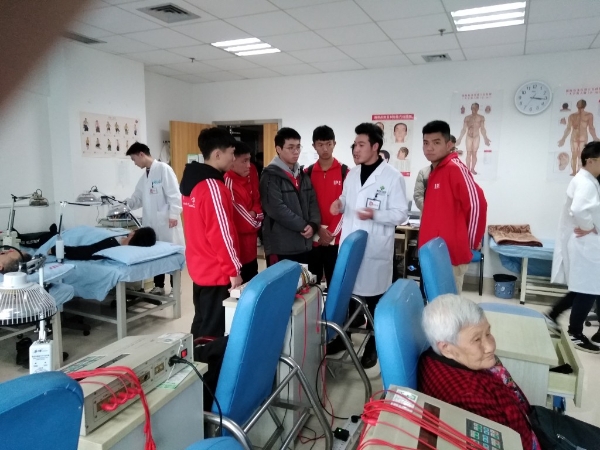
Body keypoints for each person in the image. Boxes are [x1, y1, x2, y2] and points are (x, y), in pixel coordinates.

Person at [419, 294, 600, 450]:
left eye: (488, 333)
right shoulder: (469, 398)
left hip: (536, 422)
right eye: (476, 340)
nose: (490, 346)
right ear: (447, 348)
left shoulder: (439, 354)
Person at [330, 123, 408, 369]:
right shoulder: (352, 174)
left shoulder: (392, 177)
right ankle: (343, 338)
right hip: (350, 247)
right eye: (355, 145)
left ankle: (374, 345)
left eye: (361, 144)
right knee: (348, 298)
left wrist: (375, 214)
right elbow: (346, 198)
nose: (356, 149)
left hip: (374, 249)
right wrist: (340, 204)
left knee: (374, 301)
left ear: (375, 146)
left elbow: (401, 214)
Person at [180, 127, 242, 338]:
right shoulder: (212, 186)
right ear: (217, 154)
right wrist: (233, 270)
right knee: (213, 330)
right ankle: (208, 359)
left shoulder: (192, 181)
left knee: (202, 321)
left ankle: (195, 356)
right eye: (231, 153)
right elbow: (221, 234)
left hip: (200, 267)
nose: (233, 158)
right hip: (216, 270)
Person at [418, 121, 486, 293]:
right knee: (436, 305)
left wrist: (471, 241)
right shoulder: (435, 171)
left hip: (449, 256)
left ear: (449, 145)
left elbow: (477, 204)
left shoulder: (454, 168)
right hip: (432, 254)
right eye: (426, 143)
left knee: (448, 306)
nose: (429, 148)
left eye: (436, 142)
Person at [547, 141, 600, 352]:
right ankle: (575, 333)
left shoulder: (585, 180)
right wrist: (589, 226)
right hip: (585, 244)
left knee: (581, 289)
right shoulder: (586, 182)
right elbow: (579, 209)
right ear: (591, 161)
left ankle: (551, 315)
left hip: (584, 245)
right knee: (587, 291)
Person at [126, 142, 183, 296]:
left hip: (167, 223)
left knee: (171, 255)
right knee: (156, 254)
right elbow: (137, 197)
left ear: (141, 154)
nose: (134, 163)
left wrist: (174, 214)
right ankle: (159, 286)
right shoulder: (144, 176)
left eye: (134, 159)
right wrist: (125, 205)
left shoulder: (164, 169)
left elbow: (174, 194)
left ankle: (175, 288)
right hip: (151, 224)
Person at [260, 127, 320, 267]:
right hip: (281, 247)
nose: (296, 151)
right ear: (279, 149)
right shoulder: (270, 176)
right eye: (290, 147)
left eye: (298, 147)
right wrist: (303, 226)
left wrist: (313, 225)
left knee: (303, 281)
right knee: (282, 281)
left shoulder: (302, 175)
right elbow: (276, 209)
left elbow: (313, 202)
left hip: (304, 245)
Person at [305, 125, 348, 288]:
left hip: (336, 239)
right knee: (311, 286)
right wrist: (317, 230)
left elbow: (347, 206)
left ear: (334, 144)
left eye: (328, 144)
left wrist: (330, 233)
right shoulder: (307, 173)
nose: (325, 149)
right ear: (314, 146)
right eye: (320, 144)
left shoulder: (345, 172)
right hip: (313, 239)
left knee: (335, 285)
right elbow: (304, 206)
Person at [224, 141, 263, 284]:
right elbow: (247, 224)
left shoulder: (252, 171)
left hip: (252, 249)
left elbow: (258, 200)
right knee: (240, 292)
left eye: (249, 160)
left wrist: (256, 213)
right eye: (244, 161)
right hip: (238, 251)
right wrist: (258, 217)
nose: (248, 165)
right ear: (232, 161)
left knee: (254, 285)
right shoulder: (228, 182)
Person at [49, 227, 156, 260]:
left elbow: (84, 252)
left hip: (70, 236)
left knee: (49, 237)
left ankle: (52, 234)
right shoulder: (123, 235)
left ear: (134, 233)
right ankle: (53, 232)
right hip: (84, 230)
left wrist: (56, 250)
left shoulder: (111, 248)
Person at [413, 135, 456, 212]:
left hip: (451, 216)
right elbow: (418, 196)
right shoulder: (423, 173)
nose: (450, 153)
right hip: (428, 215)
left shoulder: (459, 173)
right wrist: (432, 210)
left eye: (452, 149)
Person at [558, 99, 600, 176]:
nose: (580, 105)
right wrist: (563, 139)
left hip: (582, 137)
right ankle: (574, 172)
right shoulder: (572, 116)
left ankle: (579, 172)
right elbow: (568, 128)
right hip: (574, 137)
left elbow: (591, 127)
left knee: (581, 155)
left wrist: (595, 137)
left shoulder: (589, 115)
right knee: (574, 155)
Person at [456, 103, 491, 175]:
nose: (474, 109)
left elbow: (482, 129)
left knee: (474, 153)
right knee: (468, 153)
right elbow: (464, 129)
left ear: (478, 109)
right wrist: (459, 139)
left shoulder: (481, 117)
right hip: (469, 136)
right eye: (472, 108)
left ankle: (472, 169)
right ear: (471, 108)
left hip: (476, 136)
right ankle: (468, 169)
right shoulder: (467, 118)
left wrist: (485, 138)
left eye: (475, 108)